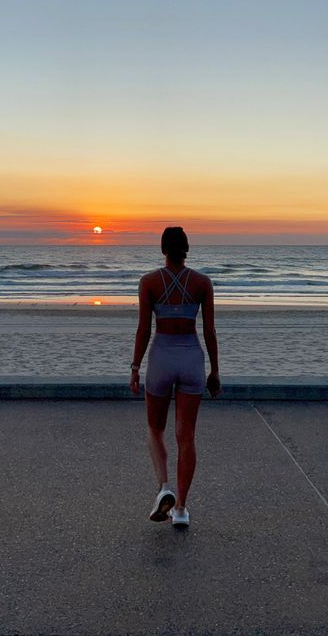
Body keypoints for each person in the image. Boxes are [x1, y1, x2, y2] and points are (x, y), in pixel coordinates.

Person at [130, 226, 221, 528]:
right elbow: (209, 331)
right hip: (191, 358)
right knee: (187, 437)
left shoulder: (149, 282)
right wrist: (215, 371)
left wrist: (134, 367)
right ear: (187, 248)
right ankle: (180, 508)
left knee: (155, 429)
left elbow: (144, 330)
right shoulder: (202, 283)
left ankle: (164, 488)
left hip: (161, 358)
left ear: (163, 249)